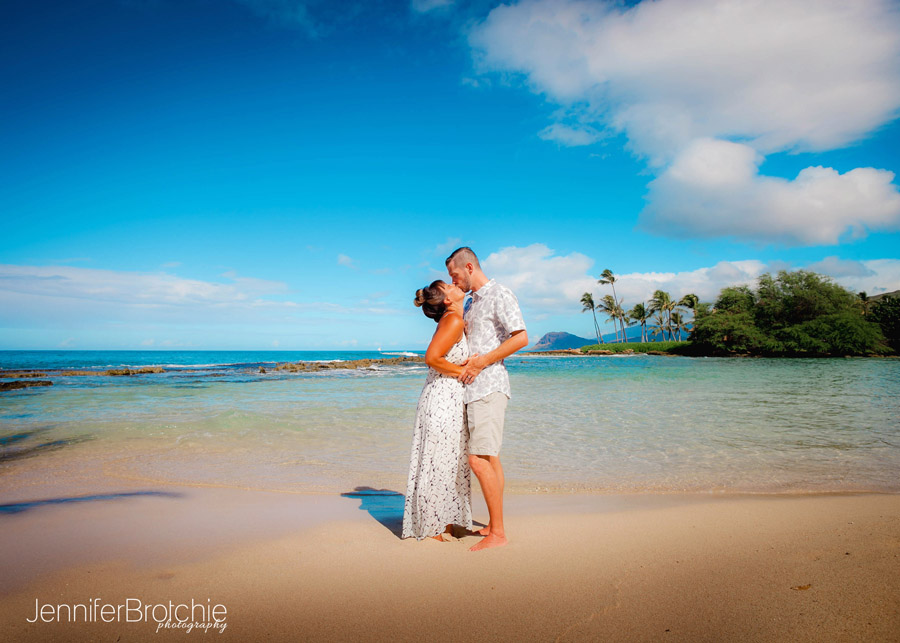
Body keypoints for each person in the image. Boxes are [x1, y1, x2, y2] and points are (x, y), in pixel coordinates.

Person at [446, 247, 527, 552]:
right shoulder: (470, 303)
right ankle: (494, 525)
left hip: (489, 386)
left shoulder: (499, 294)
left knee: (477, 460)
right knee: (490, 458)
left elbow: (521, 337)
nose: (454, 281)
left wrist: (482, 363)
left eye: (455, 275)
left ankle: (500, 533)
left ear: (469, 267)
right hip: (472, 390)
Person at [401, 280, 473, 541]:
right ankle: (433, 528)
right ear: (446, 299)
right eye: (449, 285)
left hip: (445, 397)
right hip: (442, 398)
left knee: (445, 460)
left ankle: (443, 522)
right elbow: (432, 358)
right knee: (439, 461)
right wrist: (463, 372)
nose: (456, 285)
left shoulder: (453, 318)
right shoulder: (453, 320)